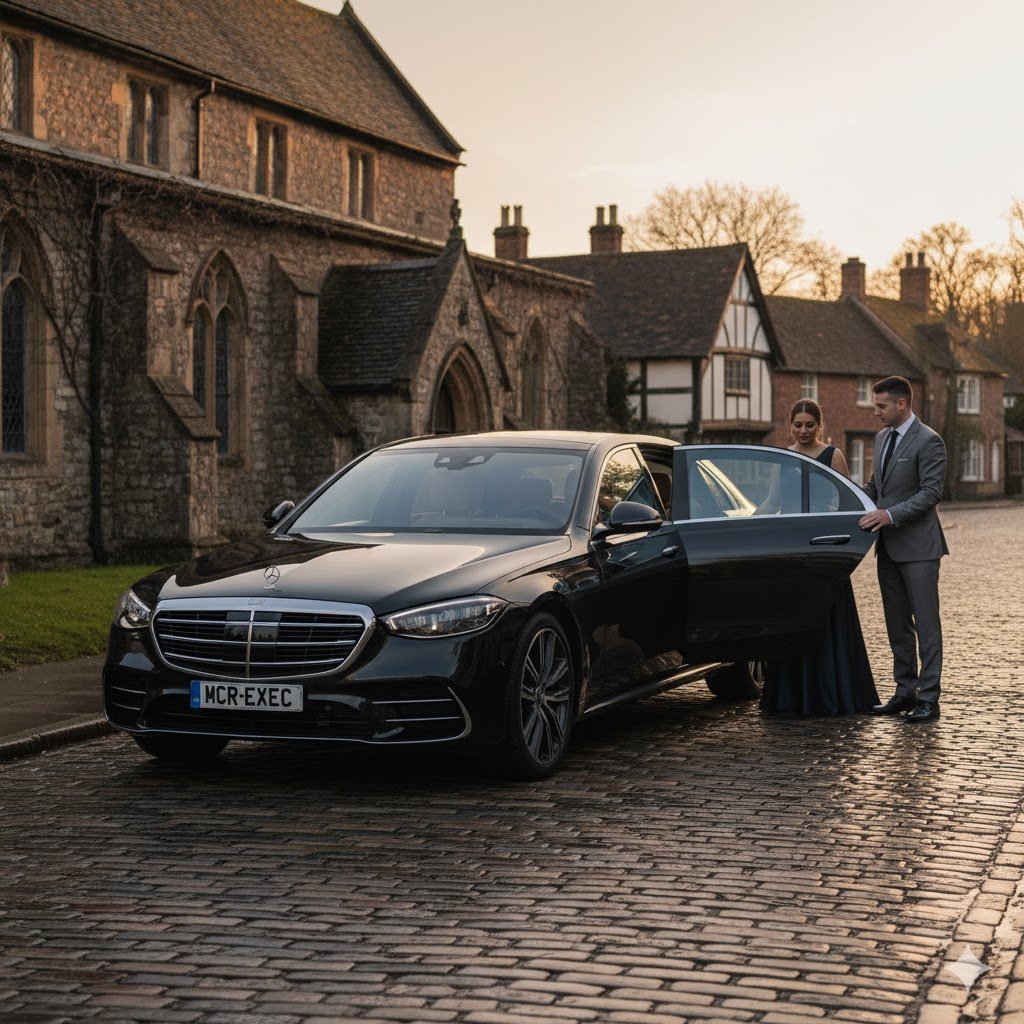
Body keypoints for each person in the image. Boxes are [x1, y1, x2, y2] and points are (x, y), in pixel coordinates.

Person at [759, 399, 879, 716]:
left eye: (809, 425)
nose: (803, 431)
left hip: (825, 547)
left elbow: (848, 500)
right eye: (797, 425)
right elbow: (772, 502)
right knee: (793, 617)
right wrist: (744, 524)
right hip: (791, 550)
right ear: (790, 426)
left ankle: (832, 693)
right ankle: (791, 698)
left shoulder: (833, 455)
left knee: (826, 616)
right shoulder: (781, 457)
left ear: (819, 426)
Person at [858, 376, 948, 723]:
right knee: (897, 626)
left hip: (921, 549)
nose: (875, 412)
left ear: (901, 404)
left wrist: (890, 515)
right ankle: (904, 692)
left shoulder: (930, 441)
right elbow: (875, 486)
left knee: (927, 626)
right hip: (888, 549)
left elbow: (931, 493)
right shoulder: (881, 438)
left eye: (880, 406)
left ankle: (929, 699)